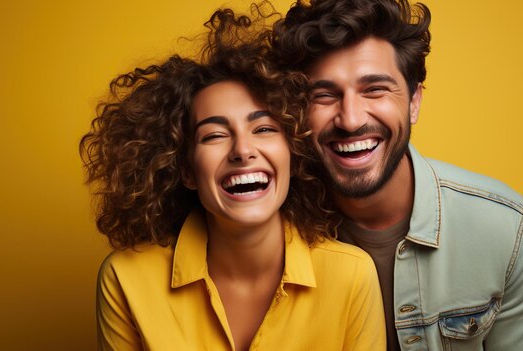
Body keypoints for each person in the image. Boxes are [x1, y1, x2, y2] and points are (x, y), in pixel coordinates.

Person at [79, 8, 385, 351]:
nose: (243, 150)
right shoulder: (126, 279)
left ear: (293, 152)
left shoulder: (352, 276)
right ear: (186, 170)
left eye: (264, 129)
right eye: (214, 135)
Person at [270, 0, 523, 349]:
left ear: (414, 101)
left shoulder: (507, 229)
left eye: (374, 89)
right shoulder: (266, 232)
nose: (350, 119)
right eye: (324, 95)